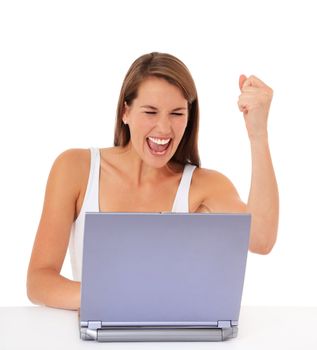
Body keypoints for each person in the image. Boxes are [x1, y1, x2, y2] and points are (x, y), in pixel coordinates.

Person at [27, 52, 279, 310]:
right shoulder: (75, 168)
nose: (163, 128)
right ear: (125, 111)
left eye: (177, 114)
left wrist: (257, 134)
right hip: (100, 336)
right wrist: (114, 297)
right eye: (150, 112)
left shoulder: (204, 186)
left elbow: (260, 239)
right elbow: (38, 281)